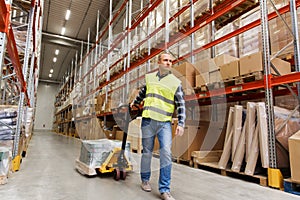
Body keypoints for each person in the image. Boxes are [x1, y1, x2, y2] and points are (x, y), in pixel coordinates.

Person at [130, 52, 186, 200]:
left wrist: (181, 123)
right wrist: (135, 103)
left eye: (170, 61)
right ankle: (145, 180)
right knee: (147, 152)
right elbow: (143, 94)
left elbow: (181, 104)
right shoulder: (150, 78)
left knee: (166, 153)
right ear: (159, 62)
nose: (168, 63)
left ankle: (164, 189)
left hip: (164, 123)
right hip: (148, 120)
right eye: (165, 60)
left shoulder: (175, 83)